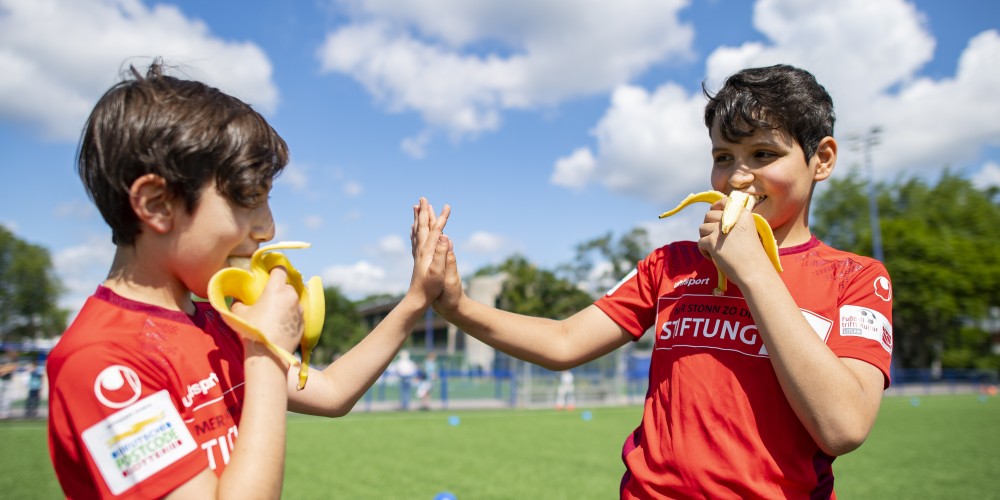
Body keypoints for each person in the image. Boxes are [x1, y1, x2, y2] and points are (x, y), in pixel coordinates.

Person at [431, 64, 893, 498]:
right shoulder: (672, 263)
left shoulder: (857, 279)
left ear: (822, 159)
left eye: (764, 154)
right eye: (723, 156)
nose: (737, 177)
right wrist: (459, 308)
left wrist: (753, 272)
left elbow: (843, 427)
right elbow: (564, 342)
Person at [46, 60, 452, 499]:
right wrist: (265, 348)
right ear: (157, 203)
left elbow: (333, 392)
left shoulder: (215, 322)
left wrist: (416, 299)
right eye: (248, 199)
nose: (268, 229)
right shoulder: (103, 364)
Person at [0, 348, 17, 419]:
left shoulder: (12, 360)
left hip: (8, 380)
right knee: (1, 397)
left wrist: (6, 370)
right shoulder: (3, 359)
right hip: (2, 380)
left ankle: (5, 413)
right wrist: (6, 369)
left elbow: (13, 367)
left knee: (7, 398)